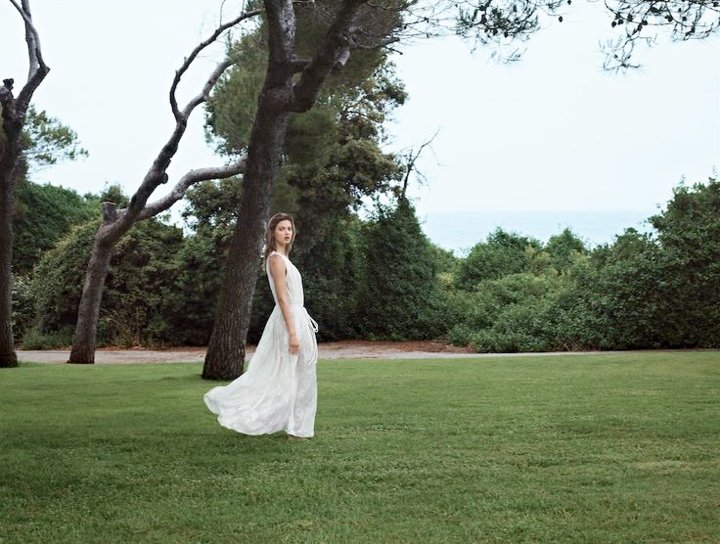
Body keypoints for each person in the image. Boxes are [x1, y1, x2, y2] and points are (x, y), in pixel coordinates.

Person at [204, 213, 319, 440]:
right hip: (289, 320)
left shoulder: (285, 259)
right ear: (273, 233)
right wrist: (293, 333)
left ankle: (297, 428)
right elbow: (283, 299)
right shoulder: (275, 259)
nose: (286, 232)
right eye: (281, 229)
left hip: (298, 317)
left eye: (289, 229)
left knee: (303, 375)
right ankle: (270, 422)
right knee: (283, 376)